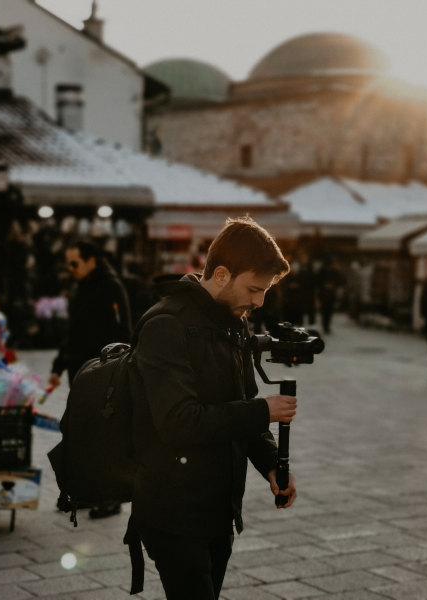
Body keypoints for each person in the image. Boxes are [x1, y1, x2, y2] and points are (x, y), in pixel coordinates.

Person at [127, 216, 297, 599]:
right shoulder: (165, 326)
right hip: (172, 509)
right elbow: (178, 422)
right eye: (254, 289)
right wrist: (264, 411)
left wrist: (273, 464)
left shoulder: (232, 326)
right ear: (221, 274)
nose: (258, 302)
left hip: (218, 508)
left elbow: (242, 408)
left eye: (265, 291)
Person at [49, 239, 132, 519]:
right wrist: (58, 366)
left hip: (102, 375)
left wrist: (114, 372)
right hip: (80, 373)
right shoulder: (80, 287)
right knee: (80, 432)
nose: (70, 269)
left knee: (105, 435)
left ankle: (111, 497)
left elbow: (122, 333)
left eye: (75, 263)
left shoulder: (111, 286)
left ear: (91, 261)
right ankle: (82, 493)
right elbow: (72, 332)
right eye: (68, 263)